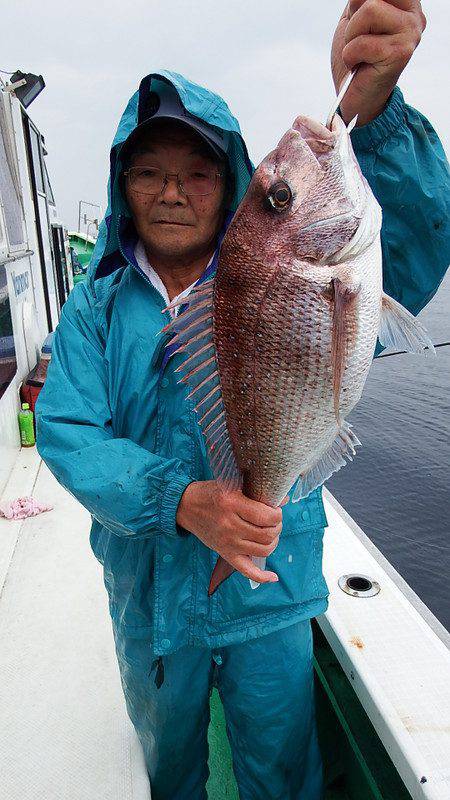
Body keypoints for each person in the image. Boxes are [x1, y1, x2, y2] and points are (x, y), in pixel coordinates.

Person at [36, 2, 449, 798]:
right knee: (172, 771)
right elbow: (66, 430)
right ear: (122, 182)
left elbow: (414, 246)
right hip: (150, 596)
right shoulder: (94, 304)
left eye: (196, 172)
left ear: (226, 182)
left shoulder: (272, 268)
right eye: (150, 169)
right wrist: (183, 501)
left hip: (274, 586)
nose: (172, 192)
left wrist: (379, 112)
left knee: (280, 771)